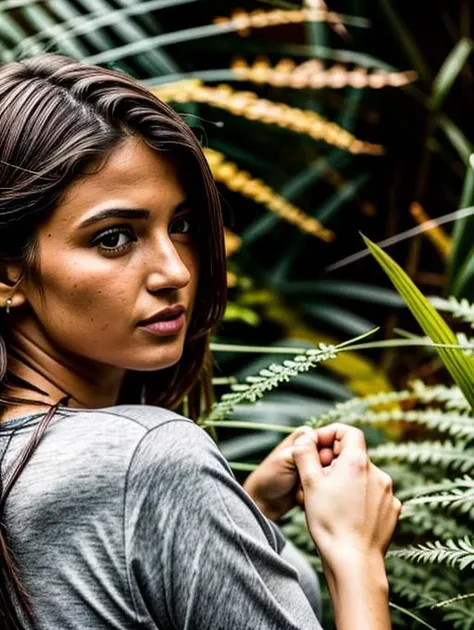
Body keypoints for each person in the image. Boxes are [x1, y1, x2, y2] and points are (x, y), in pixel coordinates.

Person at [0, 54, 401, 630]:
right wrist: (356, 557)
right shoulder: (152, 459)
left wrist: (243, 513)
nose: (175, 271)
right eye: (114, 238)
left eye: (183, 225)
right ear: (7, 272)